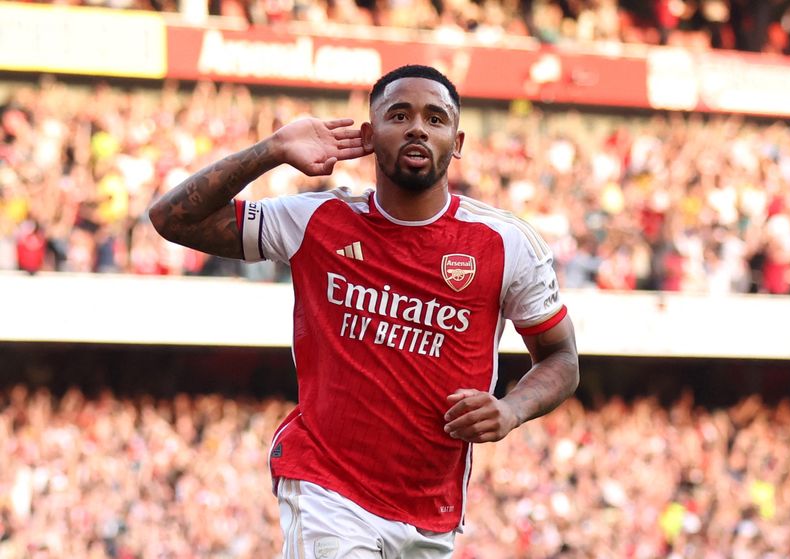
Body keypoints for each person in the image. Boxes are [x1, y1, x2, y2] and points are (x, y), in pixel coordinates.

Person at [149, 65, 579, 558]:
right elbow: (171, 218)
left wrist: (512, 408)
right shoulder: (317, 220)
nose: (418, 127)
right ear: (371, 136)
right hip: (326, 490)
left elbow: (562, 358)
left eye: (435, 119)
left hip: (429, 512)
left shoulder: (506, 244)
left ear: (456, 143)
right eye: (400, 115)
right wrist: (271, 151)